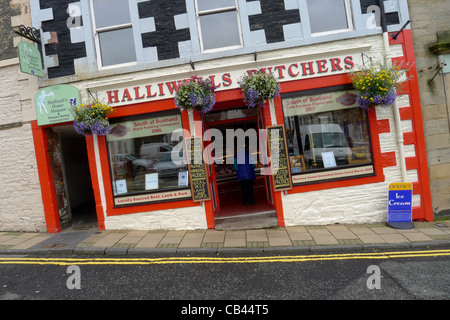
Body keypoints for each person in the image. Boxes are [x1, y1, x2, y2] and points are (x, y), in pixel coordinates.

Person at [233, 141, 256, 206]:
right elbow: (253, 164)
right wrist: (250, 168)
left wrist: (238, 171)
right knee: (250, 187)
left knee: (243, 188)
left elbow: (235, 166)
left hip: (241, 174)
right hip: (249, 173)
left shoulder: (236, 156)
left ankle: (245, 201)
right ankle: (252, 201)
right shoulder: (249, 154)